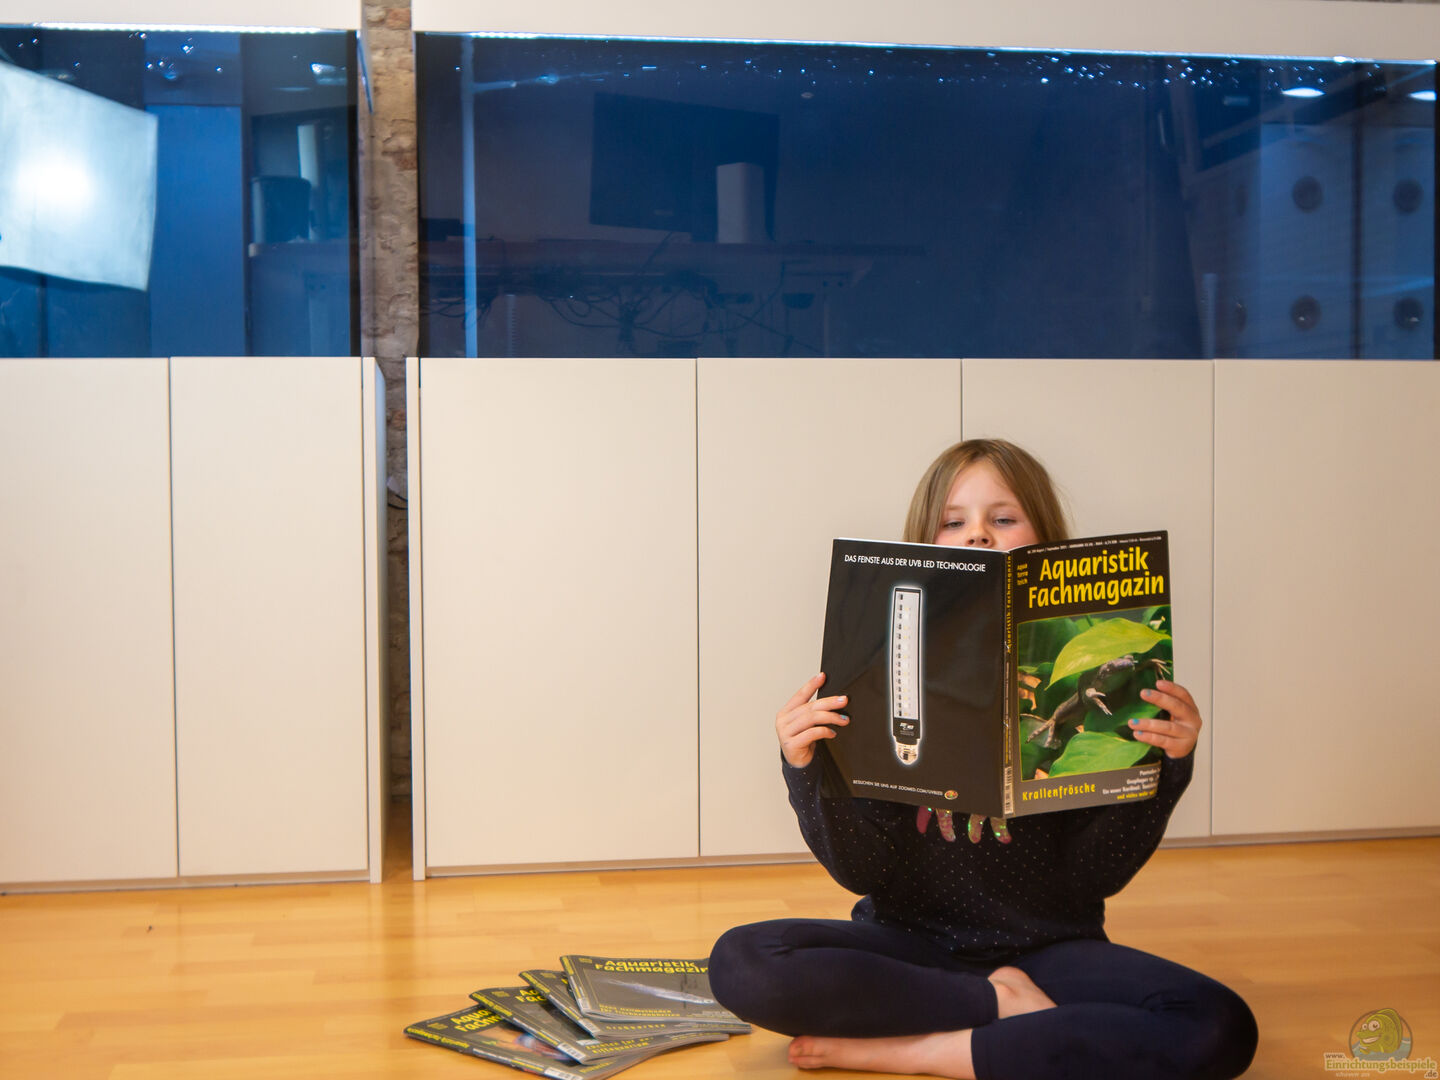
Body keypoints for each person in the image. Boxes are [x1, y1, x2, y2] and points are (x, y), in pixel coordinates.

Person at [709, 438, 1258, 1080]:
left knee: (1220, 1026)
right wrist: (804, 768)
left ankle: (927, 1051)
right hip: (907, 948)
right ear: (923, 544)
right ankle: (999, 1011)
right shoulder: (882, 676)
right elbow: (861, 871)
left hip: (1051, 951)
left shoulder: (1080, 688)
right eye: (953, 521)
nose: (977, 534)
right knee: (742, 961)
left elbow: (1096, 876)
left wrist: (1166, 766)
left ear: (1045, 538)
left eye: (1003, 518)